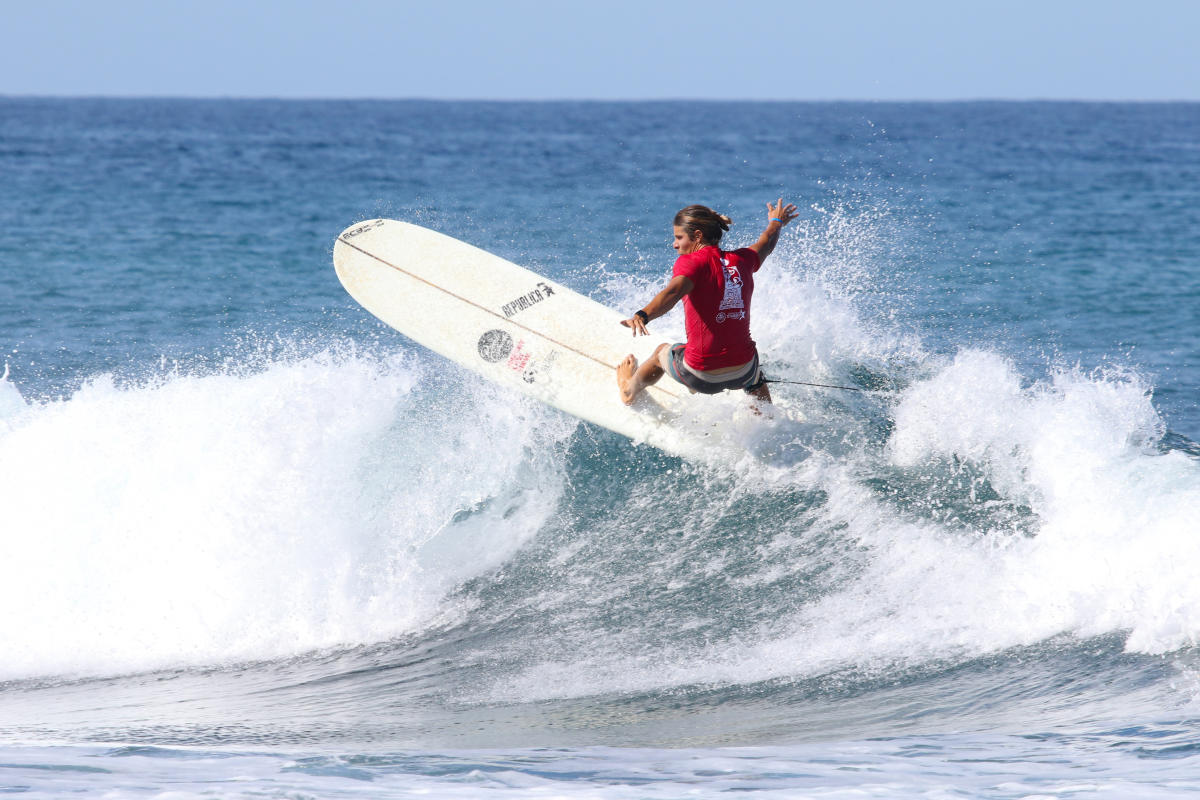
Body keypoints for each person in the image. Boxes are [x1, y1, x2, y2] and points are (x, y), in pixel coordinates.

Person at [617, 199, 798, 407]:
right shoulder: (743, 260)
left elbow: (673, 292)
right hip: (743, 372)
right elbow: (766, 243)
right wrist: (776, 221)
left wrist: (643, 314)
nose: (674, 244)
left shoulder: (691, 263)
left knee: (660, 352)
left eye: (679, 237)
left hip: (701, 376)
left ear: (697, 236)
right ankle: (766, 421)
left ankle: (628, 391)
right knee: (755, 375)